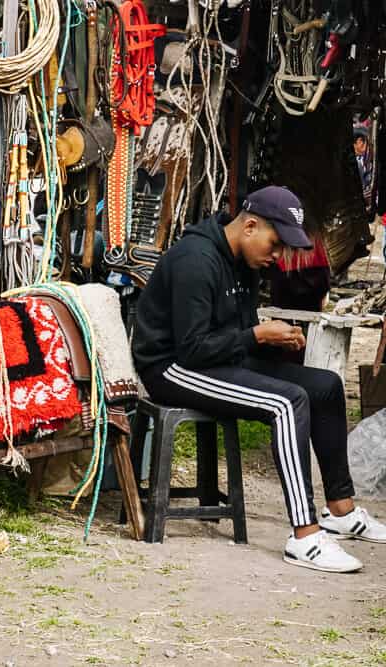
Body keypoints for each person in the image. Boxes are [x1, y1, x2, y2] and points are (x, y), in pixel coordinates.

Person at [131, 186, 386, 573]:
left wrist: (274, 342)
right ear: (250, 226)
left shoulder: (247, 263)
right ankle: (305, 537)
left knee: (326, 386)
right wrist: (257, 337)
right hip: (171, 367)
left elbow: (239, 339)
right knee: (286, 402)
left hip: (214, 360)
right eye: (276, 243)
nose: (278, 255)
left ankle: (341, 510)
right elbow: (193, 349)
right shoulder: (195, 260)